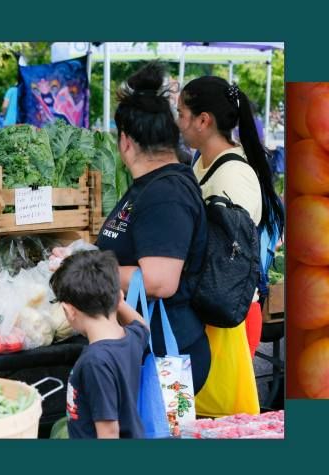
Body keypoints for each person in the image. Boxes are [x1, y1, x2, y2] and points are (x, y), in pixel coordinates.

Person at [58, 61, 211, 393]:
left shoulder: (167, 193)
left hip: (165, 353)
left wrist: (84, 265)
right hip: (141, 347)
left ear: (125, 141)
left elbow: (159, 281)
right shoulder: (150, 185)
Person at [176, 76, 285, 356]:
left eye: (181, 114)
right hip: (206, 311)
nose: (178, 122)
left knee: (225, 402)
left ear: (203, 120)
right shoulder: (202, 161)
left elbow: (229, 262)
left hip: (228, 318)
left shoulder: (234, 177)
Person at [51, 250, 149, 439]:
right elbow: (142, 325)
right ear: (120, 297)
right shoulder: (132, 337)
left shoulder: (95, 362)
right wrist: (115, 299)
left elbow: (108, 432)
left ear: (68, 310)